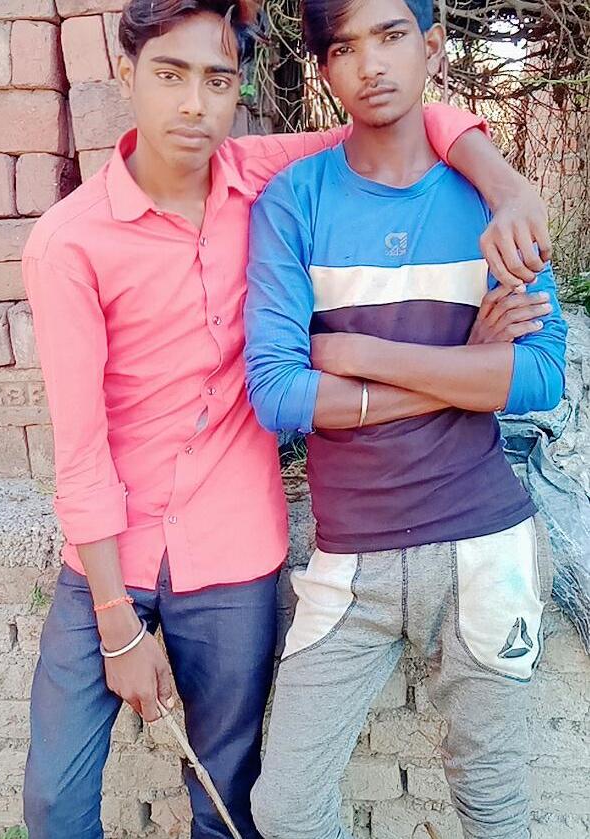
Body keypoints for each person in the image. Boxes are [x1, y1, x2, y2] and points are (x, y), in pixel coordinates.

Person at [22, 0, 557, 836]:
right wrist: (115, 621)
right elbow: (96, 443)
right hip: (114, 553)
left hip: (238, 547)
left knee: (229, 792)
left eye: (216, 80)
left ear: (239, 88)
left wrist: (507, 182)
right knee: (56, 797)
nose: (193, 104)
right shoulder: (73, 240)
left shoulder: (260, 174)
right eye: (169, 75)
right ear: (126, 75)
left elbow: (402, 115)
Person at [244, 0, 568, 836]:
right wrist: (467, 368)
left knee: (492, 804)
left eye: (391, 36)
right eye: (344, 47)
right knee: (285, 806)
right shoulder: (293, 202)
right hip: (350, 557)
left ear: (431, 45)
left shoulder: (492, 203)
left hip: (485, 546)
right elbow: (277, 392)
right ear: (323, 68)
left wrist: (354, 352)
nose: (371, 64)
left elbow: (537, 375)